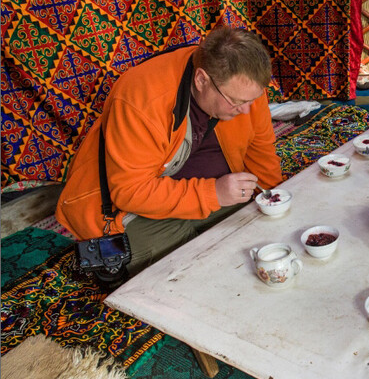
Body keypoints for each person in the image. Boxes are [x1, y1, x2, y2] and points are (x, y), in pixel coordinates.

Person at [57, 27, 283, 283]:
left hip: (199, 190)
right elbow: (129, 191)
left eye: (253, 99)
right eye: (235, 102)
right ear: (201, 80)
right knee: (190, 268)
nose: (246, 110)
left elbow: (260, 148)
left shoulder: (244, 88)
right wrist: (214, 193)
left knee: (252, 227)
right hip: (126, 208)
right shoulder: (142, 98)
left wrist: (274, 201)